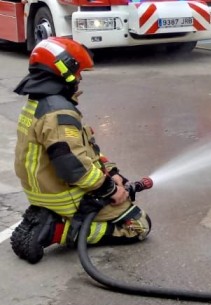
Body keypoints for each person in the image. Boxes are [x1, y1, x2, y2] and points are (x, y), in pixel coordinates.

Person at [9, 37, 151, 264]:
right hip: (62, 194)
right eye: (78, 73)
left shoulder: (39, 103)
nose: (80, 78)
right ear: (63, 72)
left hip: (43, 190)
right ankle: (55, 230)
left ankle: (50, 217)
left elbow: (83, 148)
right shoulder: (59, 114)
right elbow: (73, 166)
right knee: (138, 225)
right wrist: (108, 189)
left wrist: (112, 172)